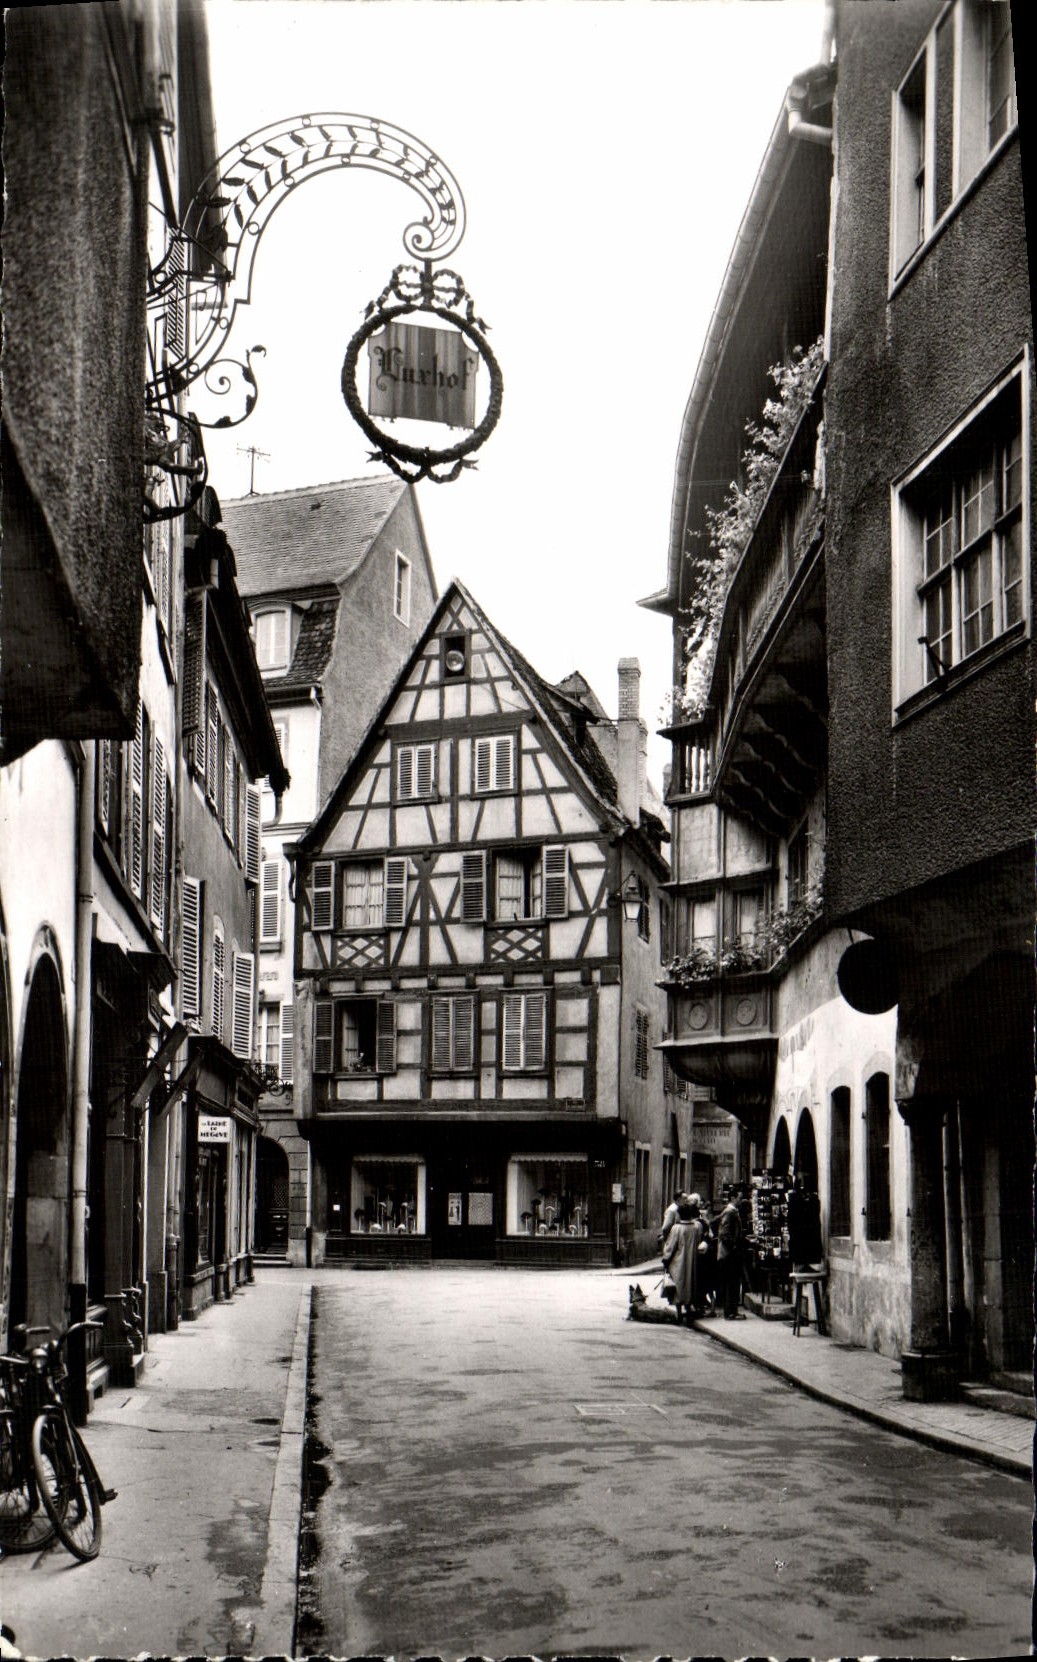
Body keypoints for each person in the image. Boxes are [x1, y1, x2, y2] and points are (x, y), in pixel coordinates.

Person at [661, 1196, 707, 1323]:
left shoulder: (677, 1228)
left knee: (679, 1286)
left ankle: (679, 1313)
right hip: (692, 1261)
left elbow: (670, 1246)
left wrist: (666, 1259)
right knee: (690, 1284)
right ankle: (689, 1308)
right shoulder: (695, 1228)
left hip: (678, 1262)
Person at [716, 1195, 745, 1319]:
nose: (741, 1200)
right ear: (733, 1198)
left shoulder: (731, 1212)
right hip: (728, 1254)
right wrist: (734, 1245)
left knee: (732, 1283)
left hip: (728, 1253)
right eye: (739, 1198)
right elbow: (724, 1233)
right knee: (731, 1283)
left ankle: (732, 1311)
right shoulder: (729, 1212)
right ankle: (730, 1312)